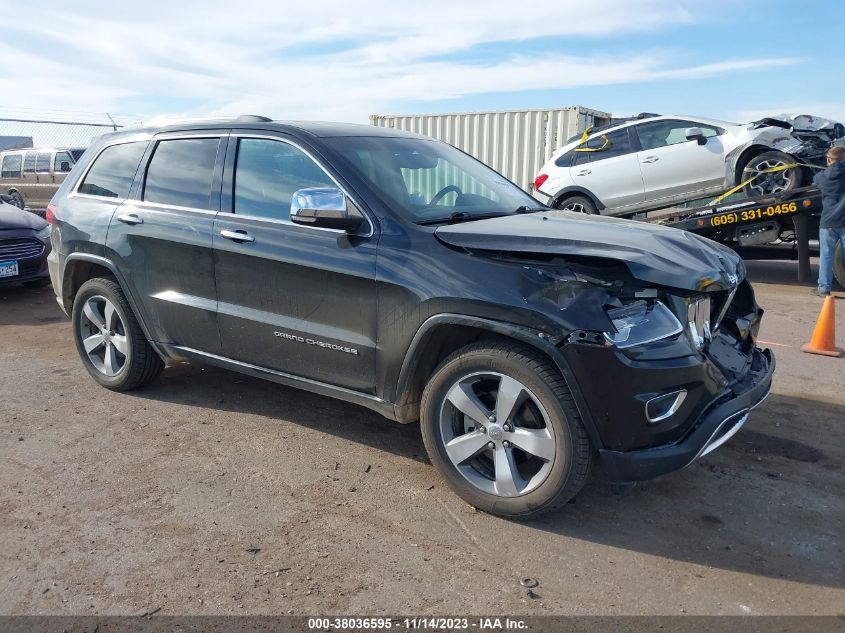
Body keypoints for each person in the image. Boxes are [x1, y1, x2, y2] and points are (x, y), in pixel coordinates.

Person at [812, 145, 845, 296]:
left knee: (826, 256)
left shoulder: (821, 177)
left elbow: (815, 180)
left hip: (828, 222)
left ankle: (824, 289)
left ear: (828, 160)